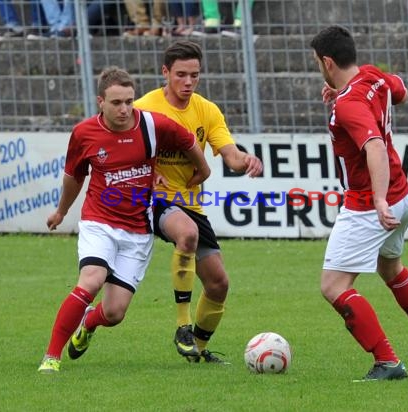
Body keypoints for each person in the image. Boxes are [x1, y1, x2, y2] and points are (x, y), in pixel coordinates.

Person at [37, 66, 210, 373]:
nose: (125, 109)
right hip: (98, 222)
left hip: (137, 230)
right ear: (100, 101)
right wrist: (62, 211)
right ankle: (51, 357)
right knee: (91, 279)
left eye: (129, 101)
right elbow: (74, 178)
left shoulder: (152, 125)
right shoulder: (84, 133)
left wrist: (203, 169)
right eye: (117, 102)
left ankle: (88, 322)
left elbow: (187, 141)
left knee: (115, 313)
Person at [309, 25, 408, 381]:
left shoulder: (348, 104)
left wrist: (376, 199)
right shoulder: (373, 76)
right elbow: (400, 90)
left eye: (316, 63)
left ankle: (387, 361)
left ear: (328, 62)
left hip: (369, 204)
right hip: (403, 196)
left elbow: (372, 144)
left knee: (333, 286)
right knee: (392, 269)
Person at [133, 40, 263, 363]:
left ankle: (200, 350)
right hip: (154, 199)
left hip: (191, 203)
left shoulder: (207, 110)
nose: (188, 83)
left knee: (219, 284)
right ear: (165, 72)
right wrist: (147, 175)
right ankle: (182, 326)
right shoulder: (144, 108)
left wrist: (246, 160)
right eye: (181, 75)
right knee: (187, 233)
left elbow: (230, 155)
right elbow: (124, 149)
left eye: (195, 75)